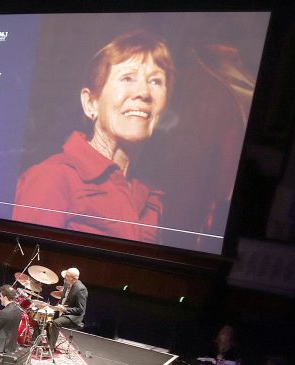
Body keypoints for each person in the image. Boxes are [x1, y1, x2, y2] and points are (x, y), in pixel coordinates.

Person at [13, 30, 174, 242]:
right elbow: (25, 258)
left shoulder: (151, 194)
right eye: (127, 78)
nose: (144, 93)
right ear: (91, 103)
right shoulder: (53, 178)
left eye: (156, 81)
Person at [47, 267, 88, 347]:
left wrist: (65, 309)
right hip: (62, 310)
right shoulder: (66, 284)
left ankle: (50, 348)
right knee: (46, 316)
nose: (64, 276)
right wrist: (55, 307)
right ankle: (44, 341)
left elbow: (80, 309)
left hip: (73, 316)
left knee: (56, 323)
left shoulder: (81, 289)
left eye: (67, 275)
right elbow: (63, 299)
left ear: (73, 278)